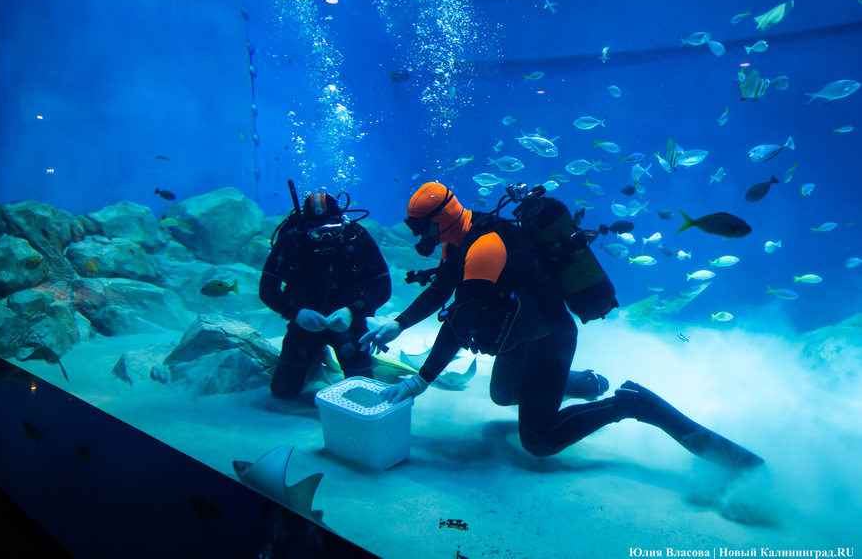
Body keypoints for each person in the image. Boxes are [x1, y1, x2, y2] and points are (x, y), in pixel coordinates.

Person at [361, 182, 763, 470]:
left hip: (548, 339)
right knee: (503, 395)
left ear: (441, 219)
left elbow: (462, 318)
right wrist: (397, 323)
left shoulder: (484, 248)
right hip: (519, 339)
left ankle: (631, 403)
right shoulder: (460, 237)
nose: (417, 235)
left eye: (419, 227)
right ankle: (584, 383)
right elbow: (441, 289)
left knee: (538, 440)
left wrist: (421, 380)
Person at [260, 185, 391, 400]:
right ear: (304, 228)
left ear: (342, 222)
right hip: (304, 324)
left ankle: (322, 358)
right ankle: (315, 357)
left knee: (364, 396)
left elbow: (383, 287)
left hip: (349, 325)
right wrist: (297, 313)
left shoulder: (356, 237)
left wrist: (351, 312)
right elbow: (267, 289)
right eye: (318, 233)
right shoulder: (291, 239)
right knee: (282, 393)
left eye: (333, 229)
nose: (326, 237)